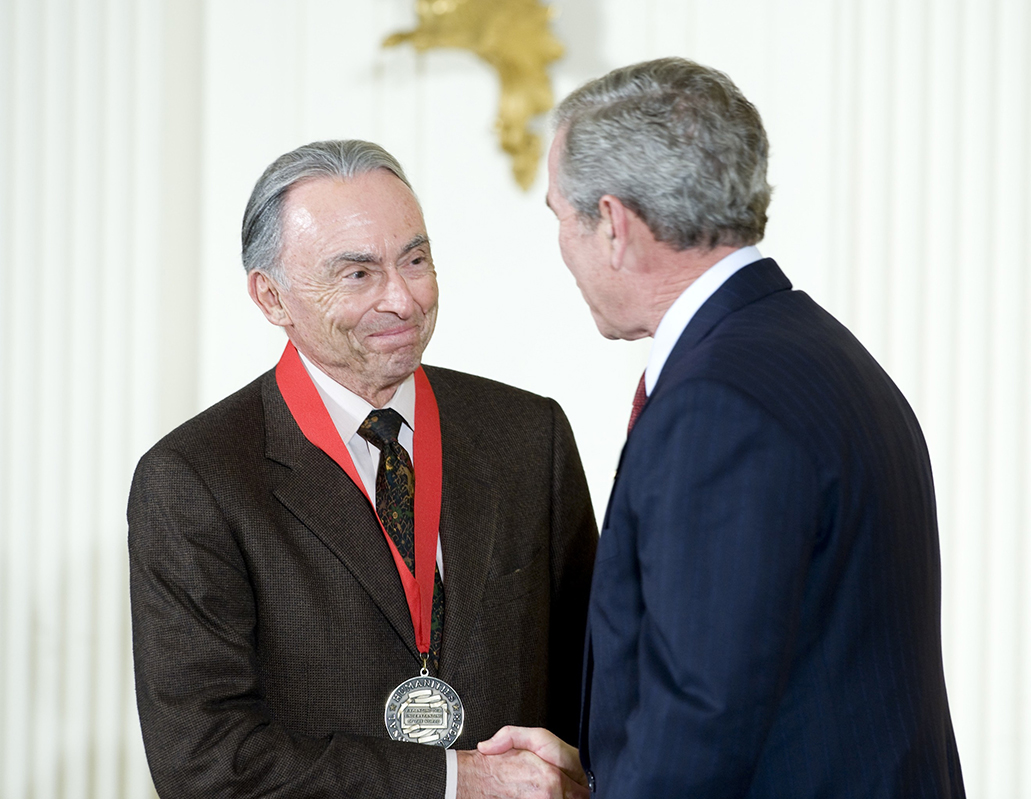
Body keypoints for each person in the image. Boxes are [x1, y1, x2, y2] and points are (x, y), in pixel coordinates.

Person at [486, 57, 967, 796]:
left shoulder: (718, 406)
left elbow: (700, 721)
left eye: (559, 216)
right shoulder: (816, 350)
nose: (564, 250)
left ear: (613, 225)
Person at [128, 140, 597, 799]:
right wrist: (454, 780)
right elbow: (206, 760)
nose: (403, 299)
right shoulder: (195, 479)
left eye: (416, 260)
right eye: (358, 275)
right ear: (271, 297)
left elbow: (595, 679)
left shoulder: (529, 434)